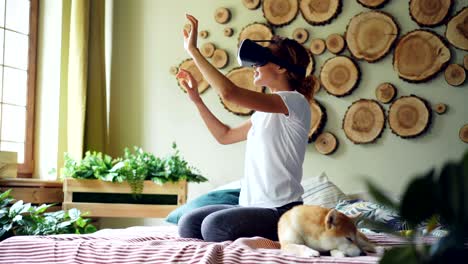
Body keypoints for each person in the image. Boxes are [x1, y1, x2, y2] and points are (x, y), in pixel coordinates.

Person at [175, 14, 314, 242]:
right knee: (189, 223)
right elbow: (225, 136)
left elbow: (229, 93)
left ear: (280, 67)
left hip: (281, 211)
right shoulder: (264, 113)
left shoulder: (294, 102)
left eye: (260, 62)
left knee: (213, 227)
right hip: (251, 205)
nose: (254, 68)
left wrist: (194, 51)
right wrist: (197, 100)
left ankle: (284, 243)